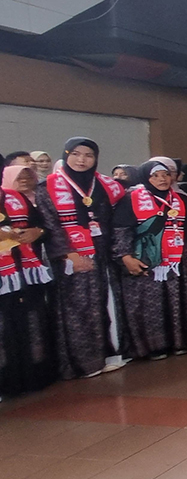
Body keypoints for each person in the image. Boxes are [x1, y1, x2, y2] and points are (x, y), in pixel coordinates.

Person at [35, 138, 127, 379]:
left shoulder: (104, 185)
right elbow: (51, 226)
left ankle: (107, 354)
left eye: (88, 155)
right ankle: (82, 363)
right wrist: (70, 255)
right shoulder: (48, 187)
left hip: (103, 255)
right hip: (71, 258)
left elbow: (114, 219)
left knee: (103, 303)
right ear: (66, 155)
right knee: (78, 308)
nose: (82, 160)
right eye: (76, 154)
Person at [112, 159, 187, 360]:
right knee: (150, 303)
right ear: (145, 177)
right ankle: (154, 347)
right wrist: (125, 257)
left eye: (166, 174)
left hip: (180, 261)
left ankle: (181, 342)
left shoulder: (182, 199)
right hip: (146, 260)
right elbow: (121, 231)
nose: (162, 179)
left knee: (180, 300)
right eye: (155, 175)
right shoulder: (130, 199)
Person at [0, 165, 56, 396]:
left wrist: (38, 232)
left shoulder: (15, 197)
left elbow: (45, 227)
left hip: (24, 273)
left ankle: (33, 377)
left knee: (29, 323)